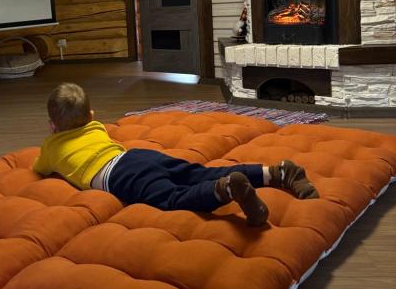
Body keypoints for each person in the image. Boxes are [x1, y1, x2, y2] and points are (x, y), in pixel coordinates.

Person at [33, 83, 319, 227]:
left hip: (120, 176)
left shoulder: (52, 147)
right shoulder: (97, 127)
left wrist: (52, 142)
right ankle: (278, 172)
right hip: (138, 156)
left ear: (51, 125)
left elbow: (40, 167)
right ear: (91, 115)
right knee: (199, 173)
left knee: (172, 199)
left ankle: (226, 190)